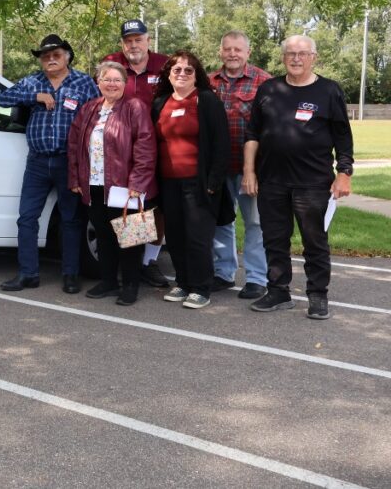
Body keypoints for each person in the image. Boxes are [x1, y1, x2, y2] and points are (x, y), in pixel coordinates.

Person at [243, 34, 353, 320]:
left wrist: (344, 174)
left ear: (313, 57)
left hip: (313, 183)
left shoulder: (329, 91)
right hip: (272, 181)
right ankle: (278, 291)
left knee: (315, 242)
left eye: (302, 53)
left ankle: (318, 296)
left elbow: (343, 137)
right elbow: (252, 133)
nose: (296, 58)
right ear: (283, 57)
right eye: (290, 53)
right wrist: (249, 171)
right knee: (274, 239)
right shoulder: (269, 89)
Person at [0, 34, 99, 294]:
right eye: (46, 56)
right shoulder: (33, 82)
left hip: (70, 161)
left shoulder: (84, 82)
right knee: (27, 218)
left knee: (71, 220)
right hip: (38, 162)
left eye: (56, 55)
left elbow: (99, 111)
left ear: (67, 56)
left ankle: (70, 275)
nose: (50, 59)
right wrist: (36, 96)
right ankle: (28, 274)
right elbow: (4, 98)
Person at [68, 61, 157, 305]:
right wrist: (76, 178)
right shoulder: (89, 109)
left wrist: (138, 182)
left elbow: (145, 145)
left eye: (117, 79)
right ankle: (108, 282)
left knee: (130, 237)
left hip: (125, 187)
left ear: (125, 83)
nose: (112, 84)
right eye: (106, 79)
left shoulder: (134, 107)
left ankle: (130, 285)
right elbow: (74, 144)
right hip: (95, 185)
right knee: (104, 235)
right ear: (98, 83)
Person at [151, 51, 232, 309]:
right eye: (177, 70)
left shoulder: (206, 100)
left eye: (188, 70)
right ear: (168, 74)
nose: (182, 74)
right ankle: (183, 282)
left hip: (199, 183)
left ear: (197, 75)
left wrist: (213, 182)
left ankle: (201, 287)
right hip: (168, 183)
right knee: (174, 236)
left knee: (198, 237)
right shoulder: (161, 102)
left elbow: (221, 144)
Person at [103, 19, 171, 288]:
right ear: (122, 43)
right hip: (120, 149)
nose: (133, 45)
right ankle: (128, 261)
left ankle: (147, 261)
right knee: (127, 204)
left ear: (148, 41)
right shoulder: (113, 63)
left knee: (156, 208)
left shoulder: (165, 65)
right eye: (128, 40)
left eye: (138, 39)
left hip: (160, 146)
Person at [208, 30, 271, 300]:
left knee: (255, 223)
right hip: (219, 167)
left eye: (238, 49)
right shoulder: (208, 82)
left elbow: (272, 127)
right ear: (221, 51)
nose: (232, 54)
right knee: (222, 221)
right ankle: (223, 272)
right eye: (228, 49)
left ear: (248, 52)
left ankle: (257, 278)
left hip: (252, 168)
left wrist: (255, 169)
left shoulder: (264, 82)